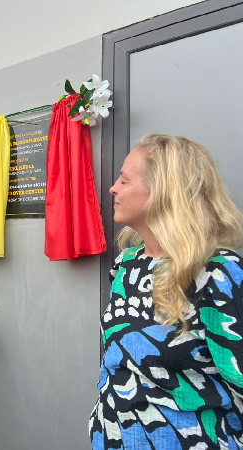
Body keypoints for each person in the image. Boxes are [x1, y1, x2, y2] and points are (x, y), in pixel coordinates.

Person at [90, 134, 243, 449]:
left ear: (162, 191)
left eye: (124, 180)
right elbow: (116, 363)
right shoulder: (127, 265)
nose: (113, 188)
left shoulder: (217, 274)